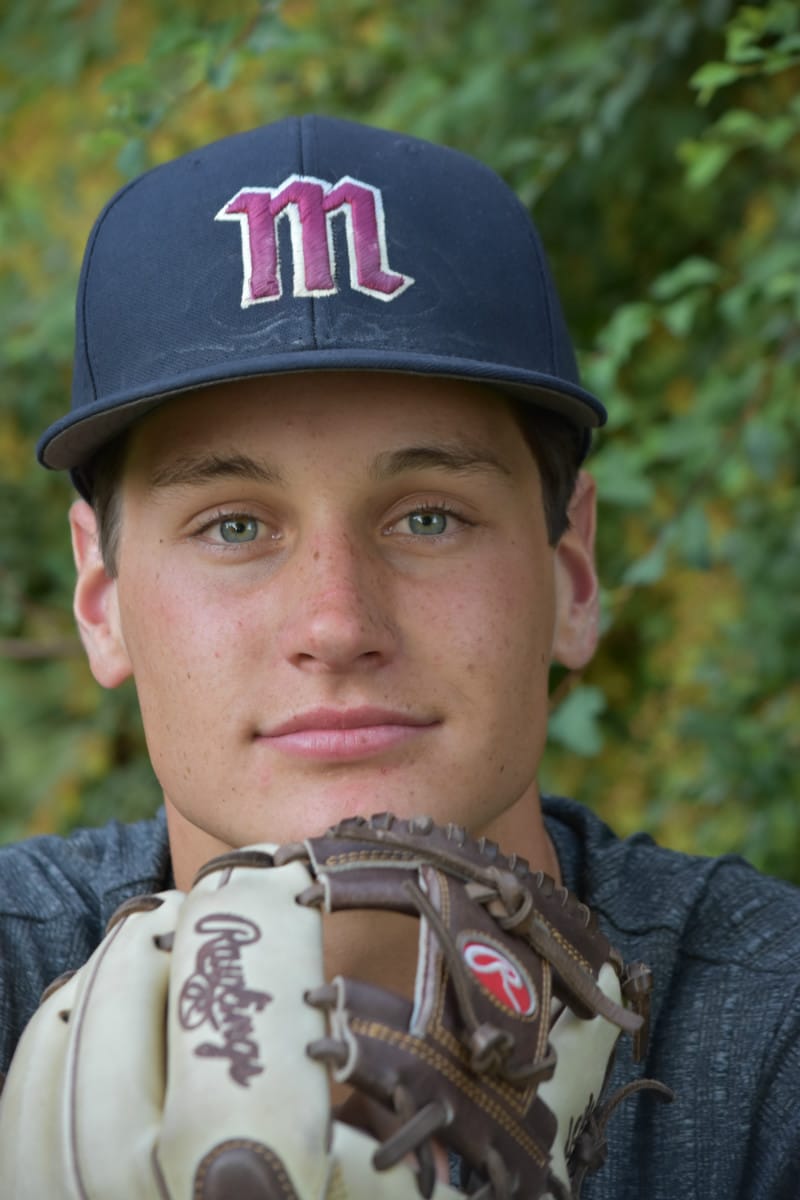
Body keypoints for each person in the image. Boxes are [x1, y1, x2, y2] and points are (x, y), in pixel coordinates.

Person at [1, 114, 798, 1198]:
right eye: (234, 526)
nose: (336, 624)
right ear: (102, 600)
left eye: (428, 518)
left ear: (571, 574)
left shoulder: (770, 1040)